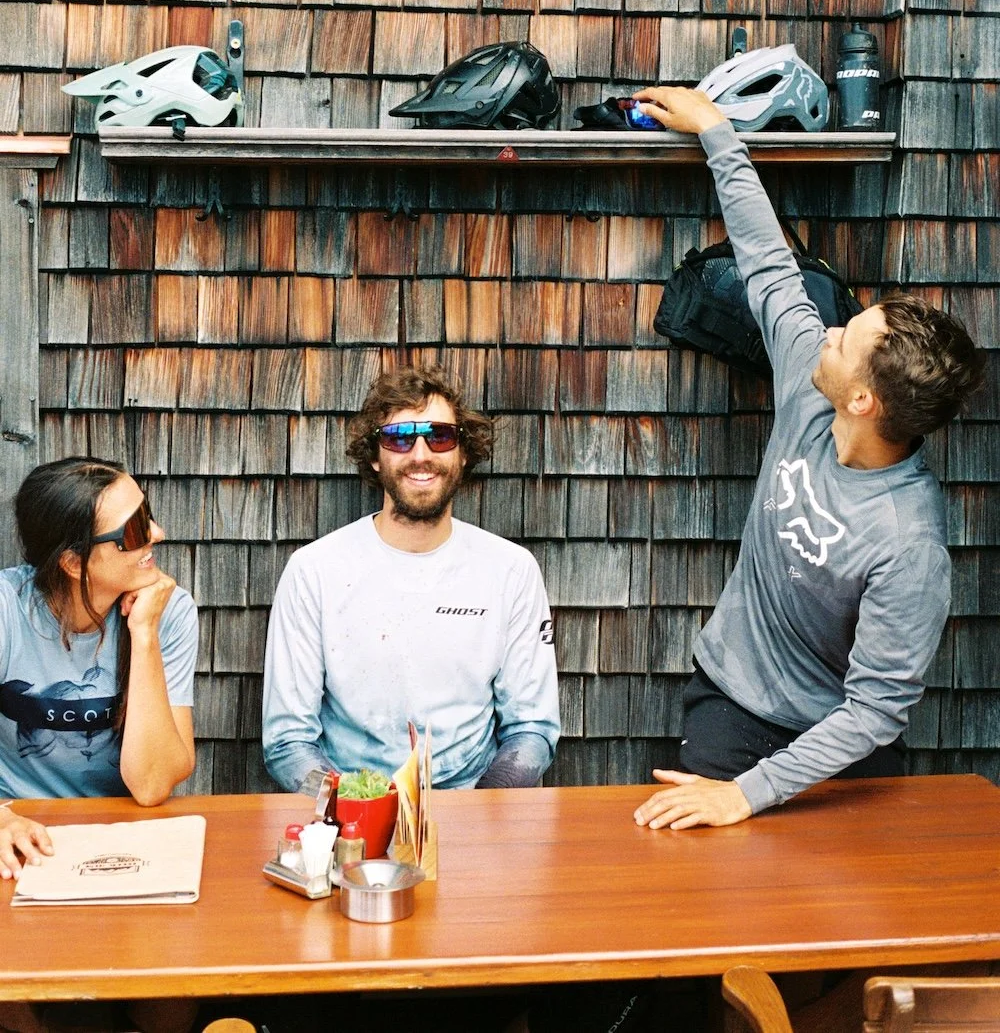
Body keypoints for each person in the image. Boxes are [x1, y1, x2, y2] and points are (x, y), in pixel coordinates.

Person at [630, 85, 985, 833]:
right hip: (732, 704)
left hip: (839, 744)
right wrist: (717, 132)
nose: (825, 332)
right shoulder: (809, 384)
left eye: (843, 340)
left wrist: (747, 795)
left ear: (864, 400)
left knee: (830, 904)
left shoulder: (907, 543)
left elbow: (875, 709)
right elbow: (769, 265)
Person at [262, 363, 560, 793]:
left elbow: (532, 730)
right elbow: (288, 742)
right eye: (399, 438)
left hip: (473, 806)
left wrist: (481, 811)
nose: (421, 454)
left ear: (462, 453)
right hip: (353, 808)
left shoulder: (511, 570)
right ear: (375, 456)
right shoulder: (314, 571)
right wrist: (356, 807)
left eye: (440, 436)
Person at [0, 457, 199, 1033]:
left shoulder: (168, 612)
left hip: (126, 833)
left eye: (148, 515)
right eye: (133, 531)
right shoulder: (7, 612)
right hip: (23, 834)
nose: (157, 533)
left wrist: (145, 635)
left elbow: (152, 784)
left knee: (175, 997)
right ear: (72, 562)